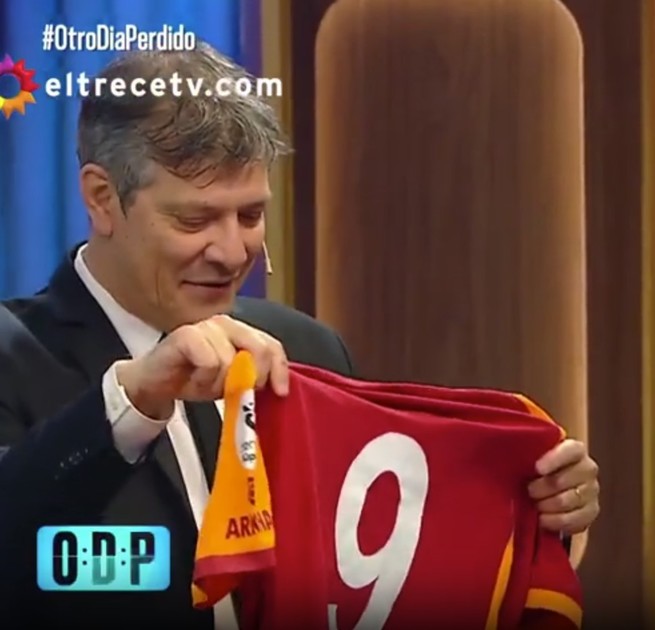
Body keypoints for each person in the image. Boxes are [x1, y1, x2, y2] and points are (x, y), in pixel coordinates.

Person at [0, 43, 600, 628]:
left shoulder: (307, 350)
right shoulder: (12, 355)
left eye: (250, 215)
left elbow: (388, 559)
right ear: (102, 198)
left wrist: (538, 512)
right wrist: (133, 400)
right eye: (195, 219)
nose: (232, 251)